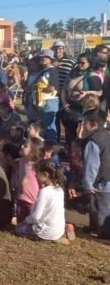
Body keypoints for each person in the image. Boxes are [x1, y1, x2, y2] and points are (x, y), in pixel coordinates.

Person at [15, 159, 68, 242]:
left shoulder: (44, 191)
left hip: (46, 230)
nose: (35, 176)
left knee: (18, 228)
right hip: (59, 230)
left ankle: (46, 238)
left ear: (45, 174)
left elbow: (35, 217)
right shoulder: (59, 189)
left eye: (37, 173)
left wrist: (25, 221)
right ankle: (58, 235)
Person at [61, 52, 102, 149]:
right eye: (78, 62)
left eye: (83, 63)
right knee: (69, 133)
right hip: (70, 107)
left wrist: (87, 93)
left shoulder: (93, 76)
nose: (79, 65)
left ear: (90, 63)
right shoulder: (72, 73)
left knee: (84, 133)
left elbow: (100, 92)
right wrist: (64, 102)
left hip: (85, 109)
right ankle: (72, 152)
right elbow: (64, 89)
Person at [81, 109, 110, 239]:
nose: (83, 125)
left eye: (85, 122)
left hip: (100, 181)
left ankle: (104, 233)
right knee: (99, 206)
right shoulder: (107, 136)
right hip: (107, 177)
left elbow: (91, 164)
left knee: (100, 207)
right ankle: (94, 226)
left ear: (93, 124)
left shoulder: (93, 141)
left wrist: (88, 183)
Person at [35, 49, 59, 141]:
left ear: (51, 59)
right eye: (42, 57)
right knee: (45, 127)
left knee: (49, 127)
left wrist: (40, 88)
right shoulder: (43, 71)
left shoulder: (52, 71)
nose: (43, 58)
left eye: (46, 57)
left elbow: (53, 87)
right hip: (44, 101)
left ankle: (52, 149)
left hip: (50, 100)